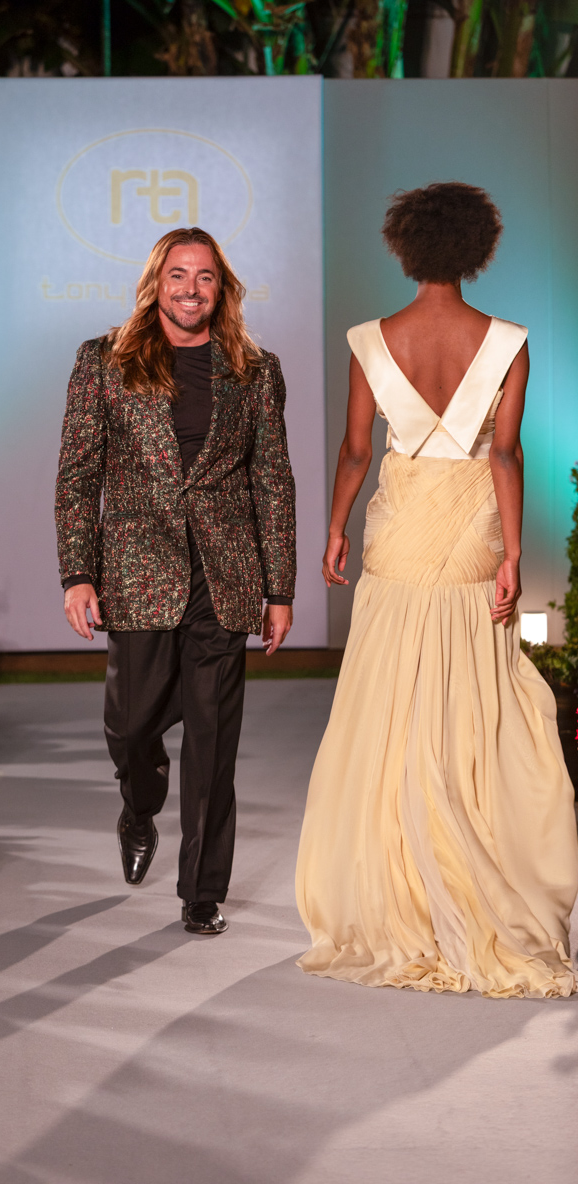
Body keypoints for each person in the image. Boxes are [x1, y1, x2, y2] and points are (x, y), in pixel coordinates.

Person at [295, 182, 578, 999]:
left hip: (398, 535)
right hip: (472, 537)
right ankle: (476, 879)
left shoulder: (370, 341)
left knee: (393, 704)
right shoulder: (509, 342)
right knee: (474, 705)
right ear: (477, 249)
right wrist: (514, 554)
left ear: (405, 247)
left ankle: (403, 894)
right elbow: (505, 454)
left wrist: (337, 525)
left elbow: (357, 449)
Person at [56, 227, 296, 935]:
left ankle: (202, 892)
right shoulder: (104, 361)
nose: (192, 289)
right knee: (132, 726)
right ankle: (138, 807)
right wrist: (78, 573)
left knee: (213, 742)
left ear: (222, 288)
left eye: (206, 277)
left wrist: (278, 589)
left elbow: (272, 482)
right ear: (155, 284)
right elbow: (78, 476)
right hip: (136, 570)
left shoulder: (254, 370)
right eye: (179, 276)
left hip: (224, 576)